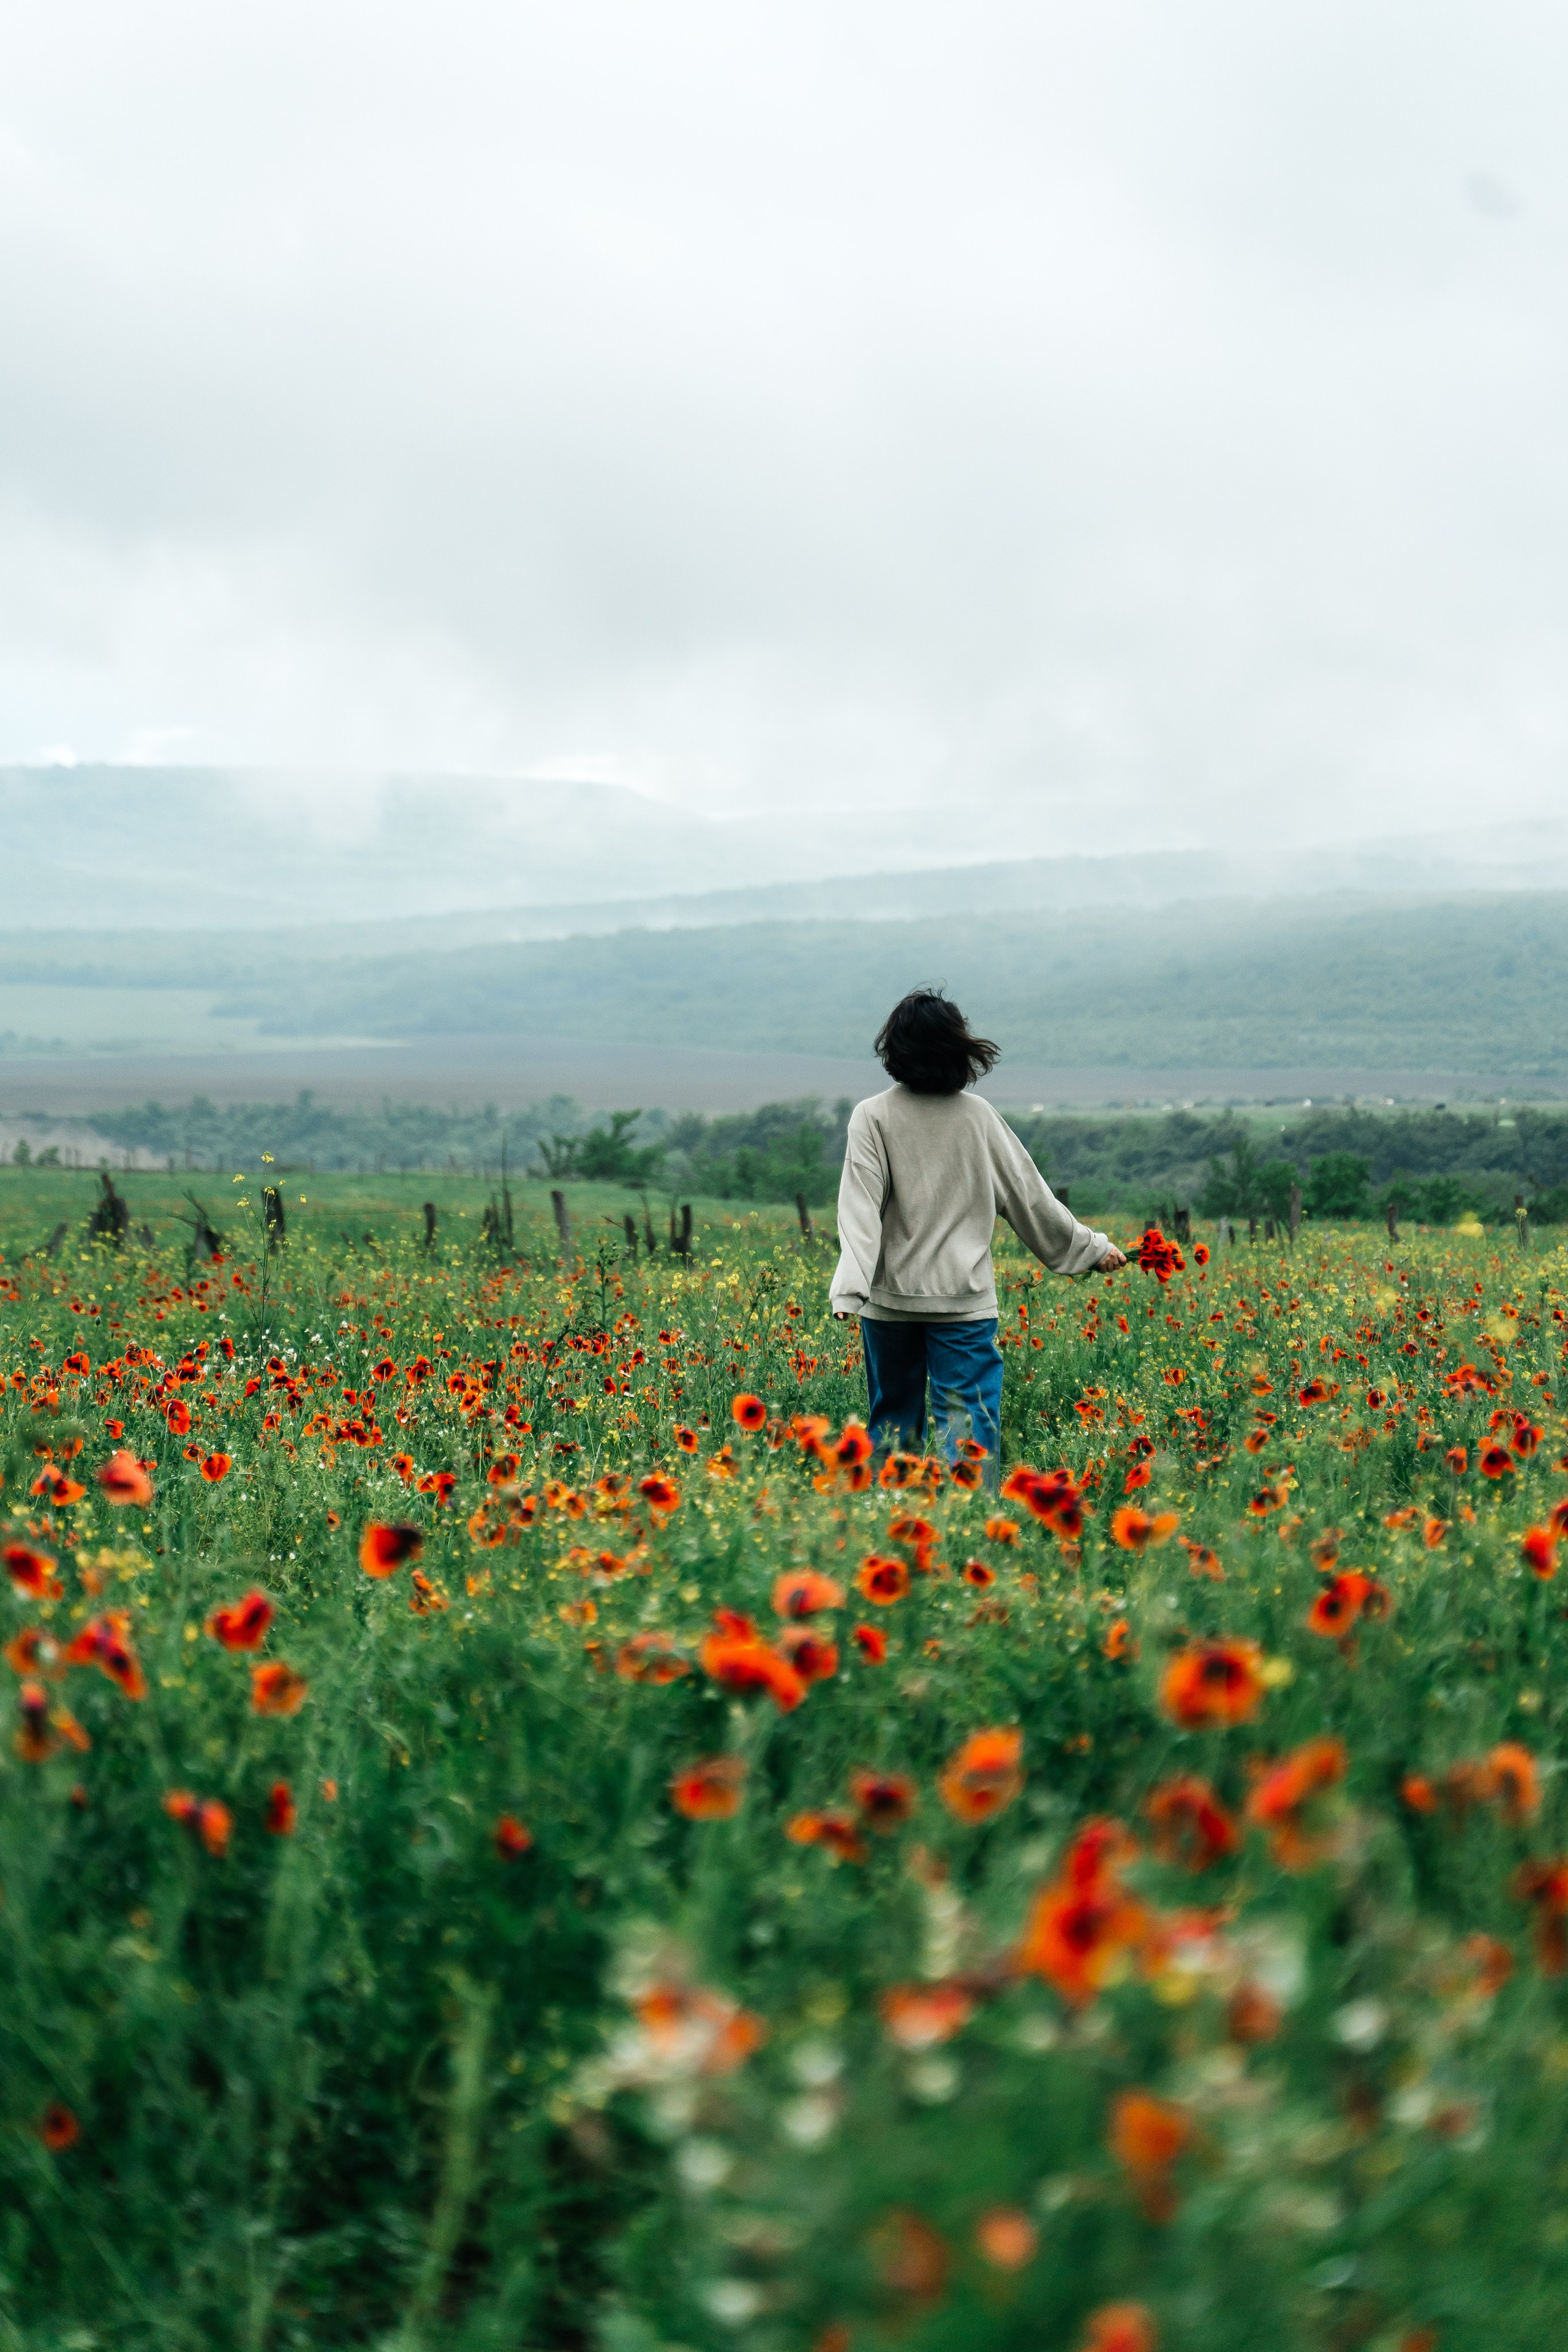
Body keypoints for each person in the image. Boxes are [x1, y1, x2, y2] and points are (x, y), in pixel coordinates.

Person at [830, 988, 1127, 1466]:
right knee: (969, 1431)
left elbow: (859, 1211)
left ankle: (892, 1512)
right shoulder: (978, 1117)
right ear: (959, 1048)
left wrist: (850, 1289)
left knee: (894, 1429)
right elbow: (1030, 1199)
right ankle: (967, 1513)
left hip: (888, 1303)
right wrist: (1090, 1250)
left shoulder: (873, 1116)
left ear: (895, 1048)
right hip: (963, 1304)